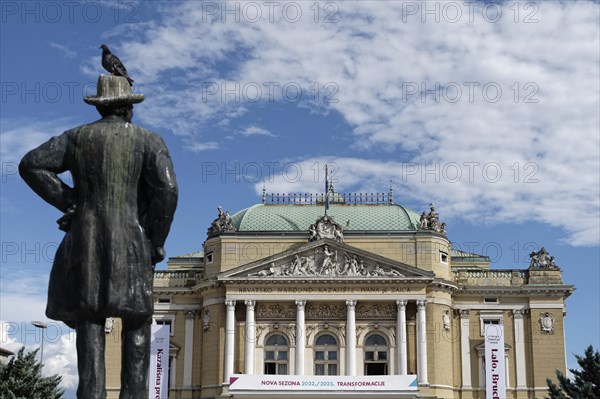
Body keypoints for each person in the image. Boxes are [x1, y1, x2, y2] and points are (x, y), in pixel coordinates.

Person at [19, 75, 178, 399]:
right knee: (137, 321)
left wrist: (71, 200)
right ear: (129, 108)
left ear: (100, 106)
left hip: (85, 241)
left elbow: (31, 165)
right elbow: (167, 190)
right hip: (132, 243)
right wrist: (155, 239)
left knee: (89, 321)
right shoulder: (149, 140)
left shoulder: (77, 138)